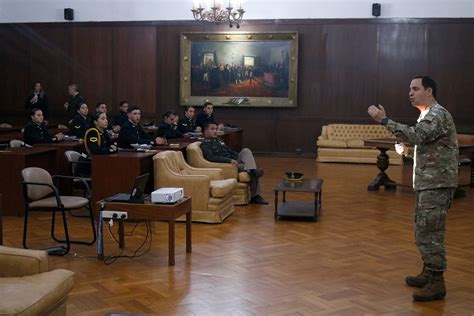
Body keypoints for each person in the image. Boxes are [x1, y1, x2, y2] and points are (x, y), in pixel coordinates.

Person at [367, 76, 458, 302]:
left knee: (431, 232)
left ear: (429, 91)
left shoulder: (437, 114)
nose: (410, 92)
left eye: (415, 89)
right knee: (423, 230)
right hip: (428, 183)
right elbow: (427, 147)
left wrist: (384, 120)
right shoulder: (425, 115)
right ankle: (428, 272)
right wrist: (407, 152)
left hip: (437, 184)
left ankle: (437, 282)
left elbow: (417, 136)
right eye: (409, 89)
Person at [200, 122, 268, 205]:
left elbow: (229, 151)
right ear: (205, 131)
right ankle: (255, 195)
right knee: (250, 168)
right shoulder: (205, 144)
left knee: (246, 151)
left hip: (234, 161)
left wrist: (239, 157)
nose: (215, 131)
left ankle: (253, 170)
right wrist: (228, 160)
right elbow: (212, 158)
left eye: (216, 129)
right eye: (212, 129)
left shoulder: (218, 140)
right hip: (227, 165)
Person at [76, 111, 117, 177]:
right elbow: (95, 151)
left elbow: (113, 145)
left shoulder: (104, 131)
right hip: (88, 165)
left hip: (98, 162)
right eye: (103, 119)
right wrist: (110, 149)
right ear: (95, 122)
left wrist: (113, 148)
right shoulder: (92, 132)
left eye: (106, 118)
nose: (106, 121)